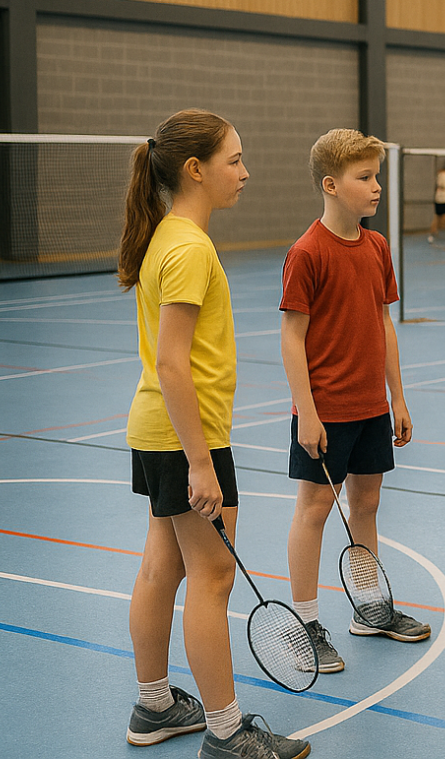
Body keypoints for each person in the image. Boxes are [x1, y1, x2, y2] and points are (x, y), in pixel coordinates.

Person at [118, 109, 309, 759]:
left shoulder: (166, 237)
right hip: (185, 436)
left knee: (162, 564)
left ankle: (155, 705)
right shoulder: (190, 247)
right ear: (195, 169)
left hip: (156, 429)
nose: (245, 172)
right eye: (234, 160)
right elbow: (174, 362)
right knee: (213, 576)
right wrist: (201, 463)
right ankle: (227, 733)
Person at [281, 129, 429, 672]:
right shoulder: (306, 252)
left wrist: (399, 398)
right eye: (364, 178)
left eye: (376, 176)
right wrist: (308, 411)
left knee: (365, 505)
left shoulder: (377, 247)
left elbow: (383, 324)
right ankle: (304, 623)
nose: (376, 187)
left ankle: (369, 607)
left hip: (372, 408)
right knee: (315, 510)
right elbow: (291, 337)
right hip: (325, 412)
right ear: (330, 184)